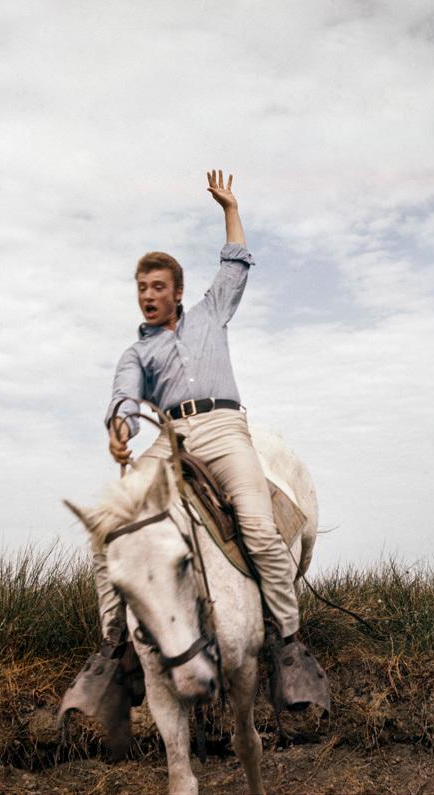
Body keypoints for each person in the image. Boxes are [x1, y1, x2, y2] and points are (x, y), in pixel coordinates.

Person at [94, 169, 302, 653]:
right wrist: (120, 428)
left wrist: (231, 209)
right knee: (108, 526)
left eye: (158, 286)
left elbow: (235, 266)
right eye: (142, 287)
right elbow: (124, 396)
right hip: (170, 439)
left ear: (177, 292)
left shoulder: (211, 313)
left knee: (257, 528)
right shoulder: (137, 354)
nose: (148, 295)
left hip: (225, 429)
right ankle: (113, 649)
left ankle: (289, 643)